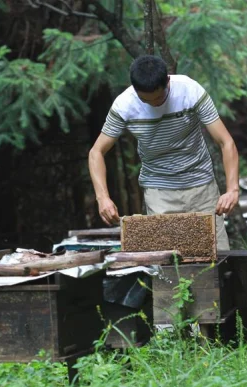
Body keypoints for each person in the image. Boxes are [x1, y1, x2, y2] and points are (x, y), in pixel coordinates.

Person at [88, 55, 239, 250]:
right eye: (146, 100)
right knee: (168, 261)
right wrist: (103, 198)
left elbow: (225, 142)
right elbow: (96, 152)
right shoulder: (124, 105)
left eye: (159, 97)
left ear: (168, 80)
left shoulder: (190, 91)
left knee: (216, 255)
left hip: (201, 185)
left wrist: (233, 189)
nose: (154, 104)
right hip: (159, 191)